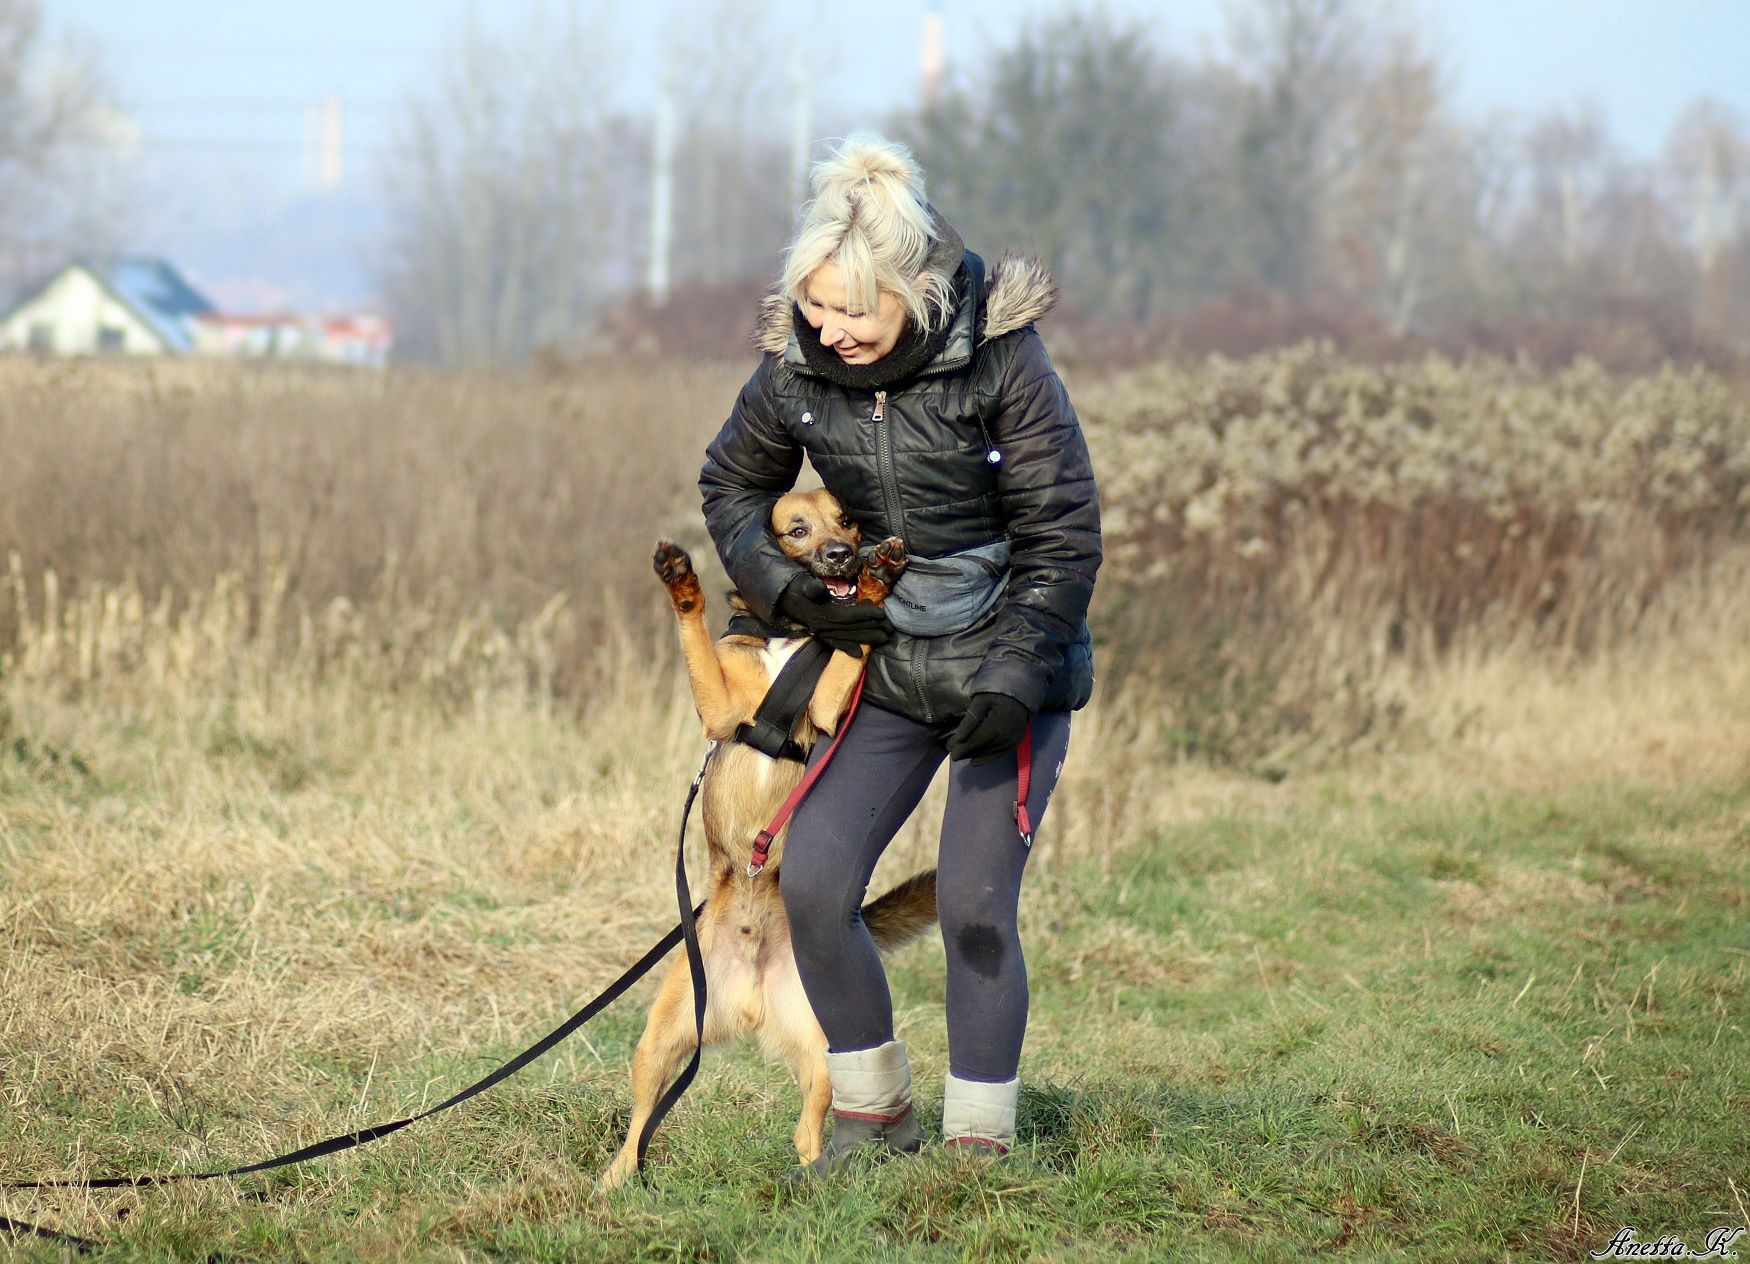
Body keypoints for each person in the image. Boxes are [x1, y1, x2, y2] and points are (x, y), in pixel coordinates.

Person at [699, 133, 1101, 1174]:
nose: (833, 333)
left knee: (972, 908)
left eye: (856, 312)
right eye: (818, 309)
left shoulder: (1001, 357)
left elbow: (1063, 530)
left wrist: (1017, 678)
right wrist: (787, 593)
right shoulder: (794, 366)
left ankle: (978, 1150)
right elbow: (731, 490)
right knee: (815, 884)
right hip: (878, 663)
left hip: (1004, 669)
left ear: (916, 291)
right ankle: (872, 1127)